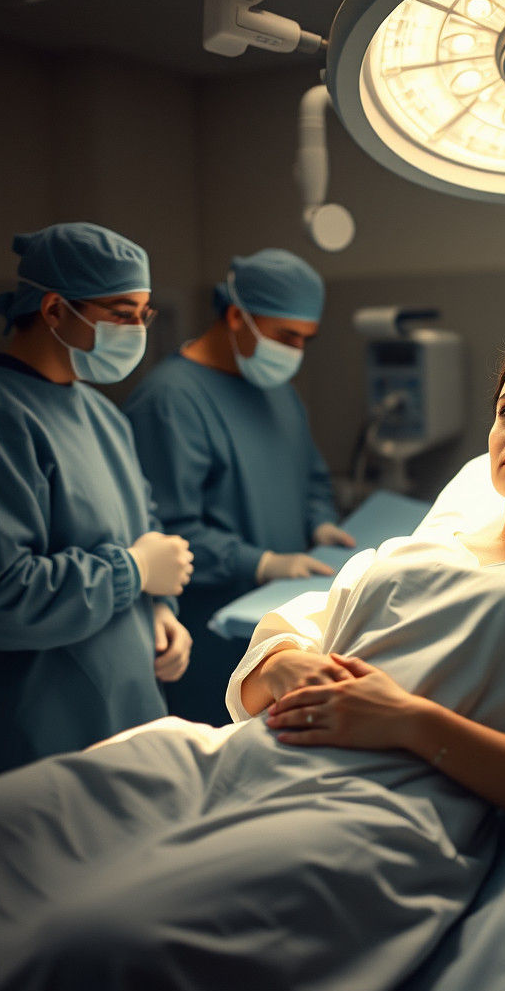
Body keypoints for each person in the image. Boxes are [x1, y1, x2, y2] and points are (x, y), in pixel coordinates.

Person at [0, 336, 505, 991]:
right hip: (235, 760)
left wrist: (406, 719)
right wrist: (285, 663)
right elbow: (268, 659)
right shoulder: (404, 554)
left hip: (383, 812)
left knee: (99, 946)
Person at [124, 248, 353, 726]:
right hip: (211, 632)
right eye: (285, 335)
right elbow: (167, 530)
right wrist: (262, 562)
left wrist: (320, 521)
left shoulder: (277, 391)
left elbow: (309, 471)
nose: (295, 351)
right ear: (235, 315)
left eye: (306, 339)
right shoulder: (169, 400)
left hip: (277, 626)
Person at [0, 222, 194, 774]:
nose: (137, 329)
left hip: (129, 716)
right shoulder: (5, 418)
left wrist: (159, 607)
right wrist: (133, 573)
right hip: (42, 735)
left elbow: (140, 527)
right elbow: (6, 595)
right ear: (54, 310)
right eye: (121, 313)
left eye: (143, 315)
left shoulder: (104, 415)